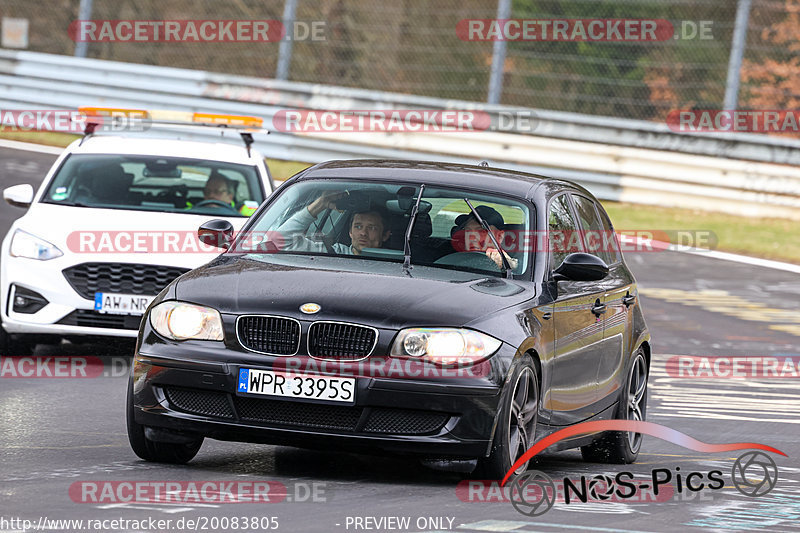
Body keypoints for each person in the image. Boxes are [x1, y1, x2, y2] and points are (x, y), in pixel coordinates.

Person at [278, 191, 391, 255]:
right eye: (358, 226)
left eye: (372, 228)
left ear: (385, 235)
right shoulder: (333, 253)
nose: (363, 233)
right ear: (350, 232)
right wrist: (319, 205)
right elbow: (278, 242)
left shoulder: (396, 265)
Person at [451, 205, 518, 270]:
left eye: (481, 231)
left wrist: (508, 265)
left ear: (500, 236)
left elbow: (516, 271)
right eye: (467, 231)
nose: (471, 238)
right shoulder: (451, 254)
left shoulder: (520, 263)